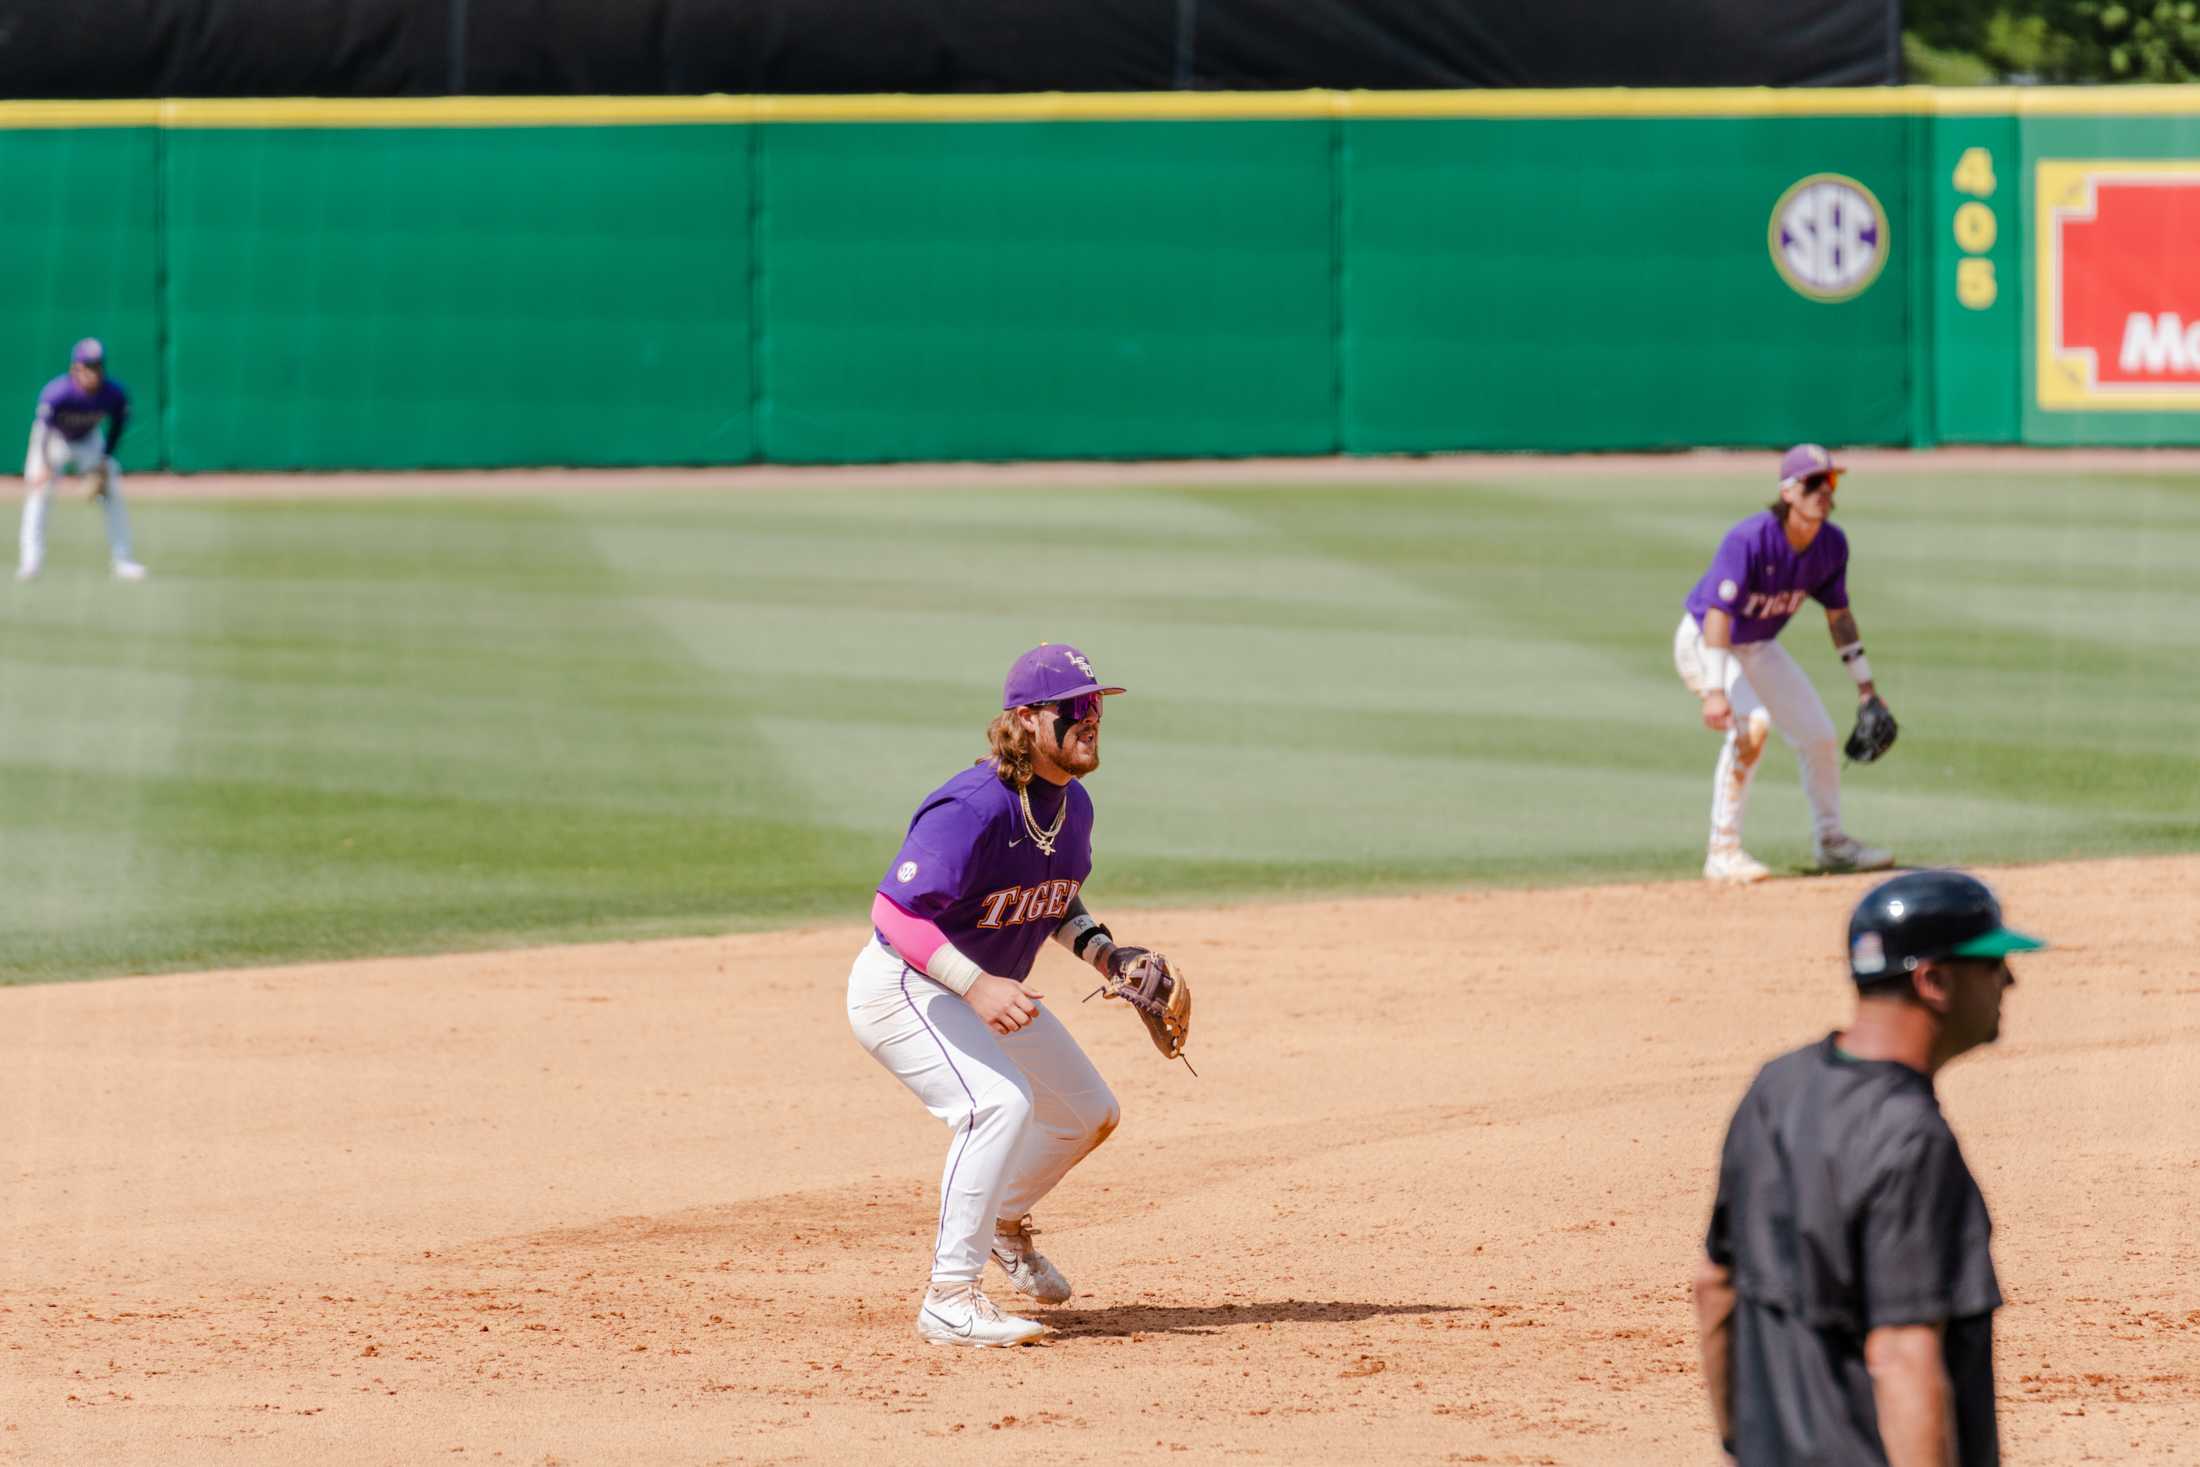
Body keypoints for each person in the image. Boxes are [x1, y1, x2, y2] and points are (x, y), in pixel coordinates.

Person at [847, 642, 1172, 1348]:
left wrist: (1107, 953)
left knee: (1089, 1111)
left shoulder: (1072, 806)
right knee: (996, 1104)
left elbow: (1051, 900)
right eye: (1076, 709)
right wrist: (978, 983)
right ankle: (949, 1297)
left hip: (983, 992)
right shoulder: (972, 804)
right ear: (1027, 719)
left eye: (1097, 708)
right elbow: (893, 913)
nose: (1092, 720)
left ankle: (1003, 1221)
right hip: (908, 983)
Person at [1694, 869, 2042, 1466]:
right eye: (1990, 965)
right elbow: (1903, 1358)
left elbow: (1715, 1288)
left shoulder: (1776, 1089)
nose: (2009, 979)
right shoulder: (1912, 1140)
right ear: (1934, 980)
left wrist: (1742, 1444)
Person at [1674, 444, 1890, 883]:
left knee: (1819, 737)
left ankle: (1832, 843)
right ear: (1788, 492)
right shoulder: (1750, 539)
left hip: (1756, 644)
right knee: (1752, 725)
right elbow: (1718, 615)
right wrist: (1715, 691)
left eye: (1830, 482)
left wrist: (1866, 687)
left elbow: (1839, 616)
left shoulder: (1831, 545)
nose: (1824, 492)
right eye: (1814, 483)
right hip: (1706, 641)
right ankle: (1723, 851)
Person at [19, 337, 146, 582]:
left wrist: (104, 459)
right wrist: (44, 466)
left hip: (88, 440)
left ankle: (123, 561)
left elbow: (118, 426)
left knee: (111, 490)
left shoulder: (113, 393)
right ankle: (31, 561)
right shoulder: (58, 392)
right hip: (53, 440)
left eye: (97, 366)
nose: (93, 372)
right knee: (38, 493)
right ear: (75, 368)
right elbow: (43, 432)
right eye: (88, 366)